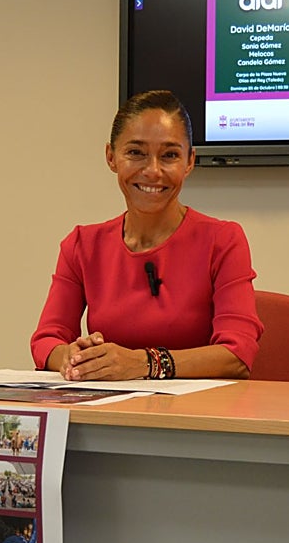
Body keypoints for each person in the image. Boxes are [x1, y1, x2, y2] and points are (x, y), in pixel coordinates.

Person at [30, 90, 262, 381]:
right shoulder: (81, 245)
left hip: (199, 416)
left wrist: (144, 363)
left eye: (169, 155)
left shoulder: (223, 240)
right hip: (110, 412)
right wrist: (76, 358)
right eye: (136, 153)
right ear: (111, 157)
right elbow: (46, 340)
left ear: (190, 161)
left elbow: (237, 354)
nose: (153, 171)